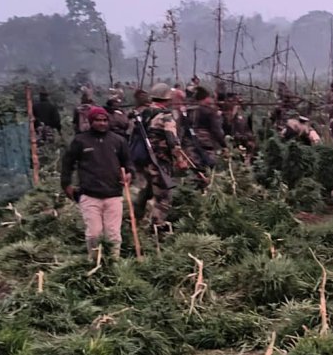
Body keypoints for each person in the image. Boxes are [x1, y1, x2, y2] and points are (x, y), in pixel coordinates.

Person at [61, 106, 133, 259]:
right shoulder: (81, 141)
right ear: (91, 121)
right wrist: (66, 184)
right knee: (94, 233)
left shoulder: (118, 140)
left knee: (113, 234)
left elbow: (128, 162)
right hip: (89, 194)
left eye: (105, 120)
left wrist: (129, 173)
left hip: (114, 194)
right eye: (98, 120)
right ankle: (94, 262)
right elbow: (67, 163)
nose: (102, 123)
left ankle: (113, 263)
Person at [135, 83, 187, 233]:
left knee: (147, 191)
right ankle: (155, 229)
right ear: (167, 98)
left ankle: (136, 219)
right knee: (164, 199)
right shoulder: (166, 117)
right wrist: (180, 160)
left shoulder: (144, 114)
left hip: (144, 161)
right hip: (160, 162)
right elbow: (172, 141)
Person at [186, 86, 227, 174]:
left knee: (193, 169)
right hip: (206, 144)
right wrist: (224, 145)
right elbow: (216, 130)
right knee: (208, 169)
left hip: (190, 144)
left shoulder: (188, 111)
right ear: (205, 98)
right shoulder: (208, 111)